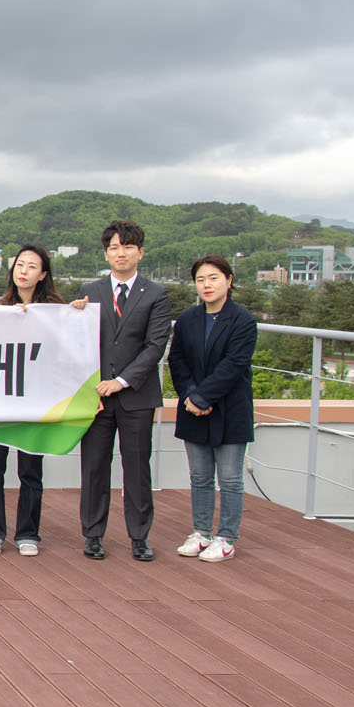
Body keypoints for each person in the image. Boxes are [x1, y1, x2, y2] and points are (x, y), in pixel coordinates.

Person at [0, 245, 83, 556]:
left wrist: (77, 315)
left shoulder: (56, 310)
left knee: (30, 469)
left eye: (32, 266)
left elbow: (67, 350)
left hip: (36, 401)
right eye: (19, 265)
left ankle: (28, 533)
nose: (23, 271)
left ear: (43, 274)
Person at [78, 220, 173, 561]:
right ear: (106, 253)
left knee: (137, 469)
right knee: (94, 468)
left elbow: (155, 345)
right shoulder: (90, 292)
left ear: (140, 252)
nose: (121, 253)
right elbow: (79, 342)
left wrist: (121, 381)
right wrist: (72, 315)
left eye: (128, 247)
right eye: (114, 248)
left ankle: (139, 536)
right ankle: (93, 535)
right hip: (97, 398)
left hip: (137, 396)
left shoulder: (157, 294)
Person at [170, 256, 258, 562]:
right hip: (192, 408)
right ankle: (202, 533)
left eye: (213, 278)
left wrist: (203, 398)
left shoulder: (243, 320)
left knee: (230, 479)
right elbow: (177, 361)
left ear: (229, 280)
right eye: (200, 280)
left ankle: (227, 538)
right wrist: (191, 396)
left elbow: (234, 365)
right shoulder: (187, 320)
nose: (206, 285)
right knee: (200, 476)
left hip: (230, 408)